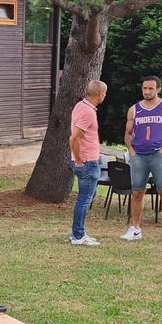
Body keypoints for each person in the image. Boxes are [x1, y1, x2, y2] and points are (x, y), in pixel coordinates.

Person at [121, 76, 162, 245]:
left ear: (158, 89)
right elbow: (128, 133)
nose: (147, 92)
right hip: (139, 156)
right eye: (144, 88)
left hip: (159, 155)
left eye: (151, 88)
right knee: (137, 193)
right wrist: (131, 151)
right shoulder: (134, 109)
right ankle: (135, 229)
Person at [68, 80, 108, 246]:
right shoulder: (87, 112)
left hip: (89, 159)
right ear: (99, 94)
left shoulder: (81, 106)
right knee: (84, 200)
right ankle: (78, 236)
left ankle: (80, 232)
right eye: (104, 93)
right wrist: (78, 160)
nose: (105, 96)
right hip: (86, 161)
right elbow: (74, 137)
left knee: (88, 197)